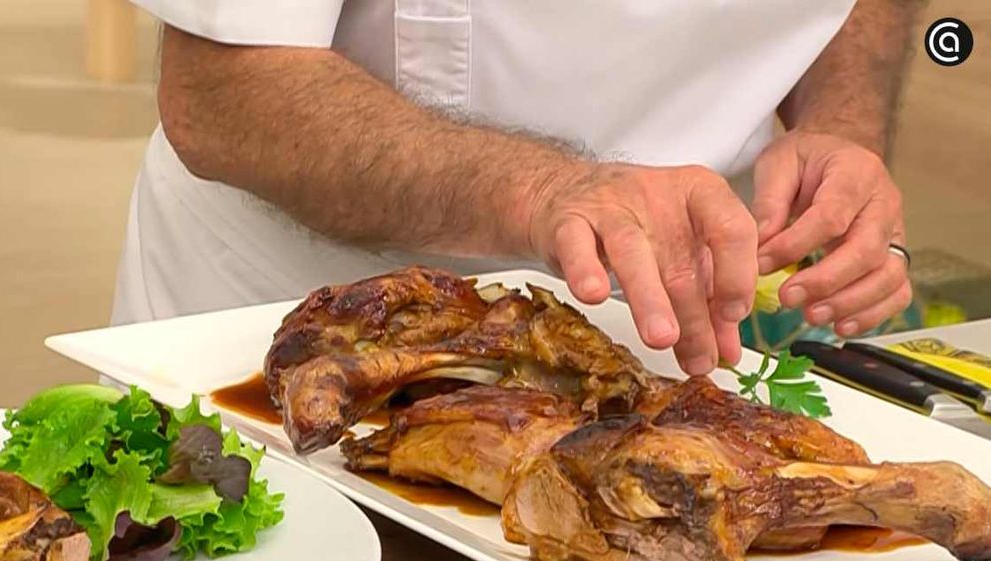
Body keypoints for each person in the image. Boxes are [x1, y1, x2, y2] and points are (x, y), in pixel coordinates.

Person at [112, 1, 917, 376]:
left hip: (670, 332)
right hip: (300, 332)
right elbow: (222, 95)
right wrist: (542, 191)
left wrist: (840, 125)